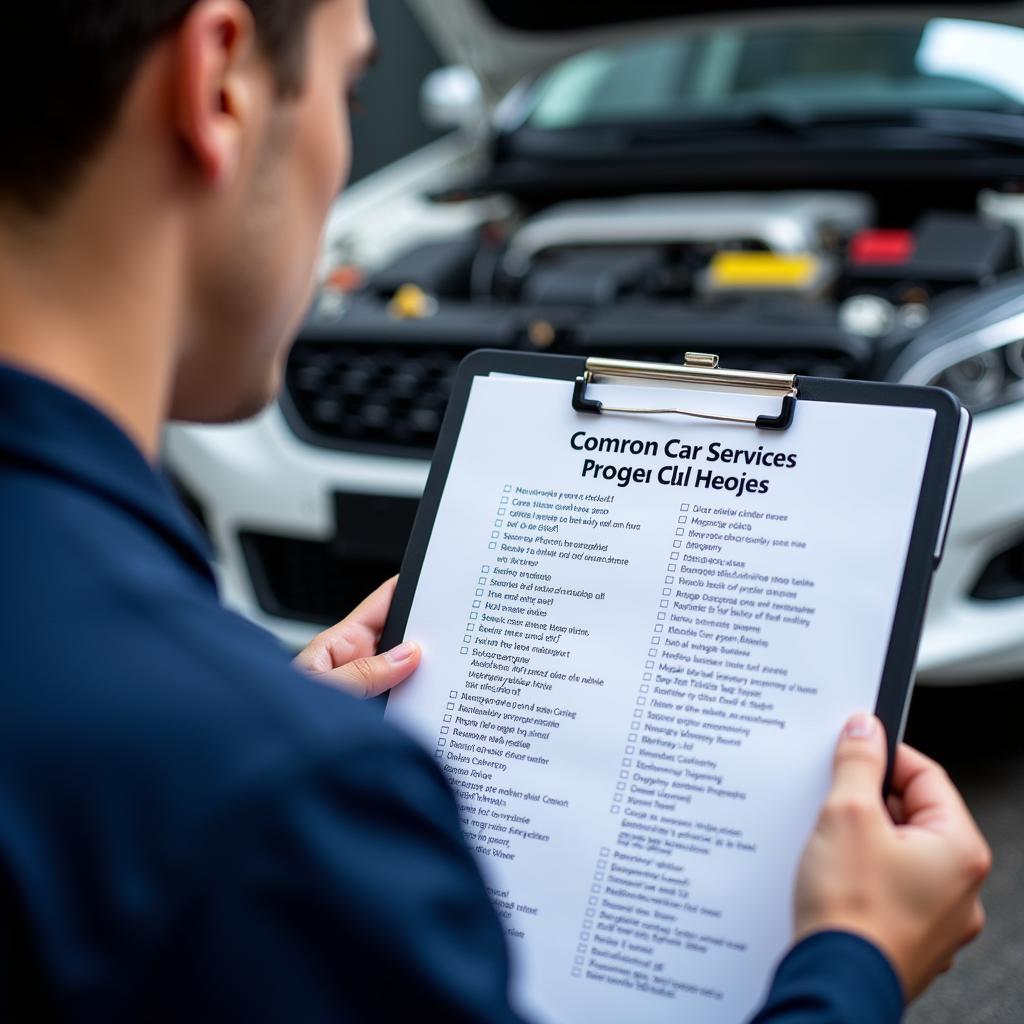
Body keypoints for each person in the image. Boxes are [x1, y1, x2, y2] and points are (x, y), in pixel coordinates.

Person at [0, 1, 990, 1020]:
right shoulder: (275, 799)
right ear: (221, 86)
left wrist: (251, 745)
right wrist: (854, 960)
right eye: (348, 86)